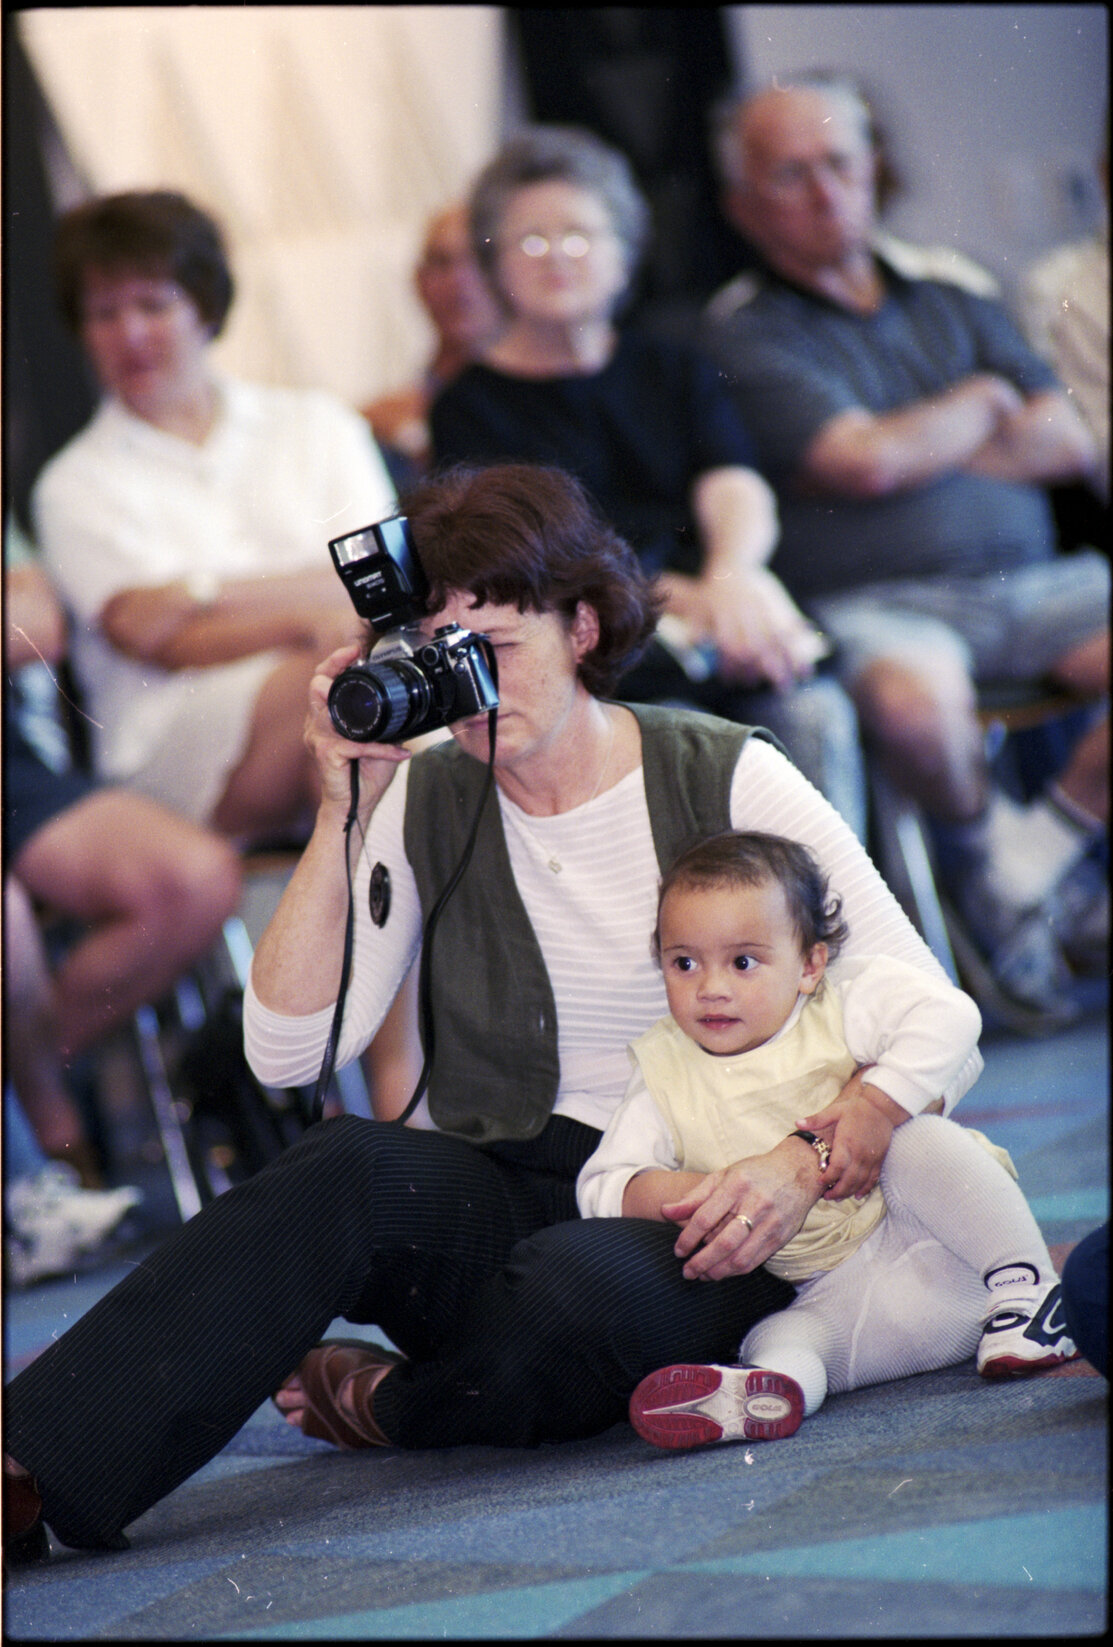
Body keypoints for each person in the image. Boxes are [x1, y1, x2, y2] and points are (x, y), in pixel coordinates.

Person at [2, 462, 982, 1564]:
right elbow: (285, 1051)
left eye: (495, 652)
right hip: (523, 1175)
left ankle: (397, 1405)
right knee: (345, 1170)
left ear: (584, 625)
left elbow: (933, 1012)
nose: (465, 688)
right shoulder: (425, 792)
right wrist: (343, 808)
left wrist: (800, 1161)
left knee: (575, 1304)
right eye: (438, 654)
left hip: (724, 1192)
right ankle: (29, 1472)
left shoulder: (725, 771)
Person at [703, 78, 1109, 1023]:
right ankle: (993, 885)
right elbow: (861, 463)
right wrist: (978, 407)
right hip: (877, 601)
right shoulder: (741, 329)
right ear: (742, 204)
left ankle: (1029, 859)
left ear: (874, 169)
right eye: (790, 173)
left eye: (840, 163)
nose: (824, 191)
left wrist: (906, 442)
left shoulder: (951, 285)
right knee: (911, 703)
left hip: (1030, 583)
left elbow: (1068, 440)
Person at [430, 125, 867, 840]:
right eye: (530, 241)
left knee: (815, 713)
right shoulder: (469, 407)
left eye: (578, 235)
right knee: (690, 746)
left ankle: (830, 930)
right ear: (494, 262)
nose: (557, 258)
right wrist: (697, 599)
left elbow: (733, 479)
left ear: (623, 250)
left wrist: (735, 573)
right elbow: (526, 567)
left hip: (724, 622)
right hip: (606, 657)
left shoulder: (674, 366)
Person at [577, 830, 1075, 1448]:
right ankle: (765, 1392)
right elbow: (601, 1186)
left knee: (915, 1139)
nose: (711, 988)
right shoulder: (663, 1071)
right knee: (777, 1336)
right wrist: (697, 1192)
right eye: (684, 963)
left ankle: (1032, 1290)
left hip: (952, 1246)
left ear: (810, 965)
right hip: (843, 1298)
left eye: (742, 962)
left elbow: (952, 1016)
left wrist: (874, 1101)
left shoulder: (842, 1003)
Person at [31, 189, 397, 845]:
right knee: (336, 690)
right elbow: (157, 638)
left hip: (325, 699)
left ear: (204, 306)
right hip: (170, 749)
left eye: (153, 304)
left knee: (355, 710)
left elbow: (378, 579)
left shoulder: (316, 424)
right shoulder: (74, 482)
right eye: (104, 314)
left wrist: (194, 592)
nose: (131, 334)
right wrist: (307, 609)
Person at [5, 548, 242, 1181]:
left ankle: (30, 1092)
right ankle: (55, 1145)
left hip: (15, 767)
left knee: (192, 879)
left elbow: (37, 620)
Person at [362, 203, 504, 485]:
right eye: (441, 262)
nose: (460, 281)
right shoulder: (381, 421)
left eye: (477, 259)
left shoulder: (540, 406)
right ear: (419, 281)